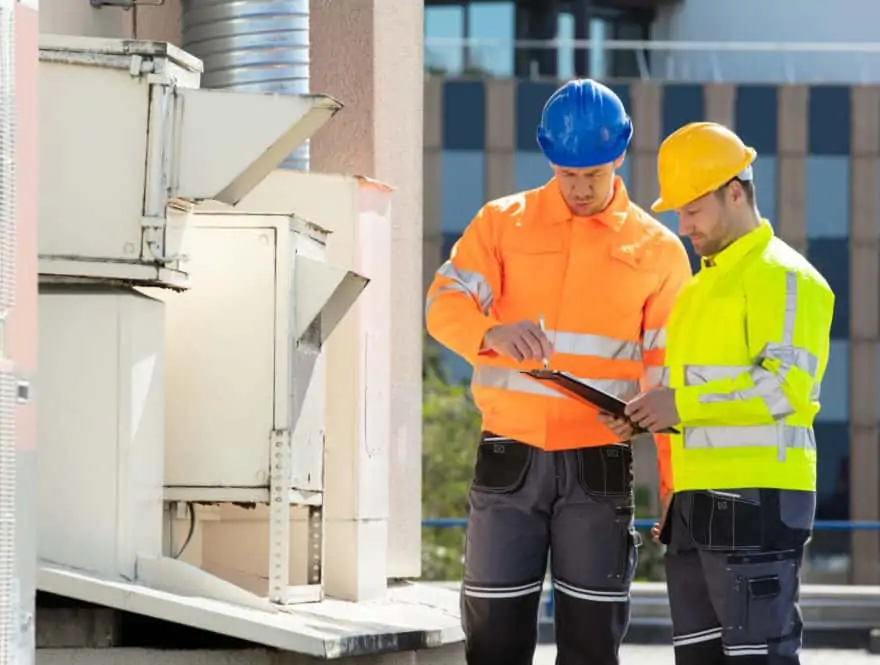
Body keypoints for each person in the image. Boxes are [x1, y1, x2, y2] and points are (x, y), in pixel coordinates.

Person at [424, 79, 692, 665]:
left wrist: (673, 486)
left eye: (593, 173)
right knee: (493, 638)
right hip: (508, 456)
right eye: (568, 173)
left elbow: (669, 381)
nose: (579, 187)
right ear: (549, 158)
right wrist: (489, 332)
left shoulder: (659, 250)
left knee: (593, 644)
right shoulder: (502, 223)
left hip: (599, 463)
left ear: (619, 155)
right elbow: (443, 305)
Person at [602, 122, 835, 665]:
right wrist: (650, 416)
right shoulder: (700, 287)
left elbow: (785, 388)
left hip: (758, 504)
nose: (683, 227)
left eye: (692, 210)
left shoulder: (787, 277)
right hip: (696, 510)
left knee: (759, 658)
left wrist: (679, 404)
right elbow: (700, 398)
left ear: (735, 192)